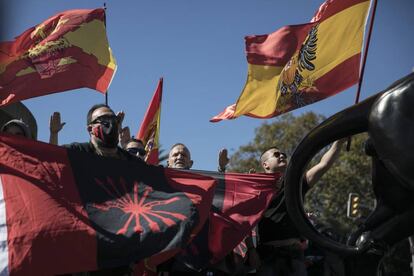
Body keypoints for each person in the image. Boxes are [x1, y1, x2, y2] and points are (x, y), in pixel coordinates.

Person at [256, 139, 345, 276]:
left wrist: (338, 142)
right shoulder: (256, 188)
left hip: (295, 257)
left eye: (284, 154)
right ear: (265, 164)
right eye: (276, 154)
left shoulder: (296, 184)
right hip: (267, 257)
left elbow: (324, 164)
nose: (282, 156)